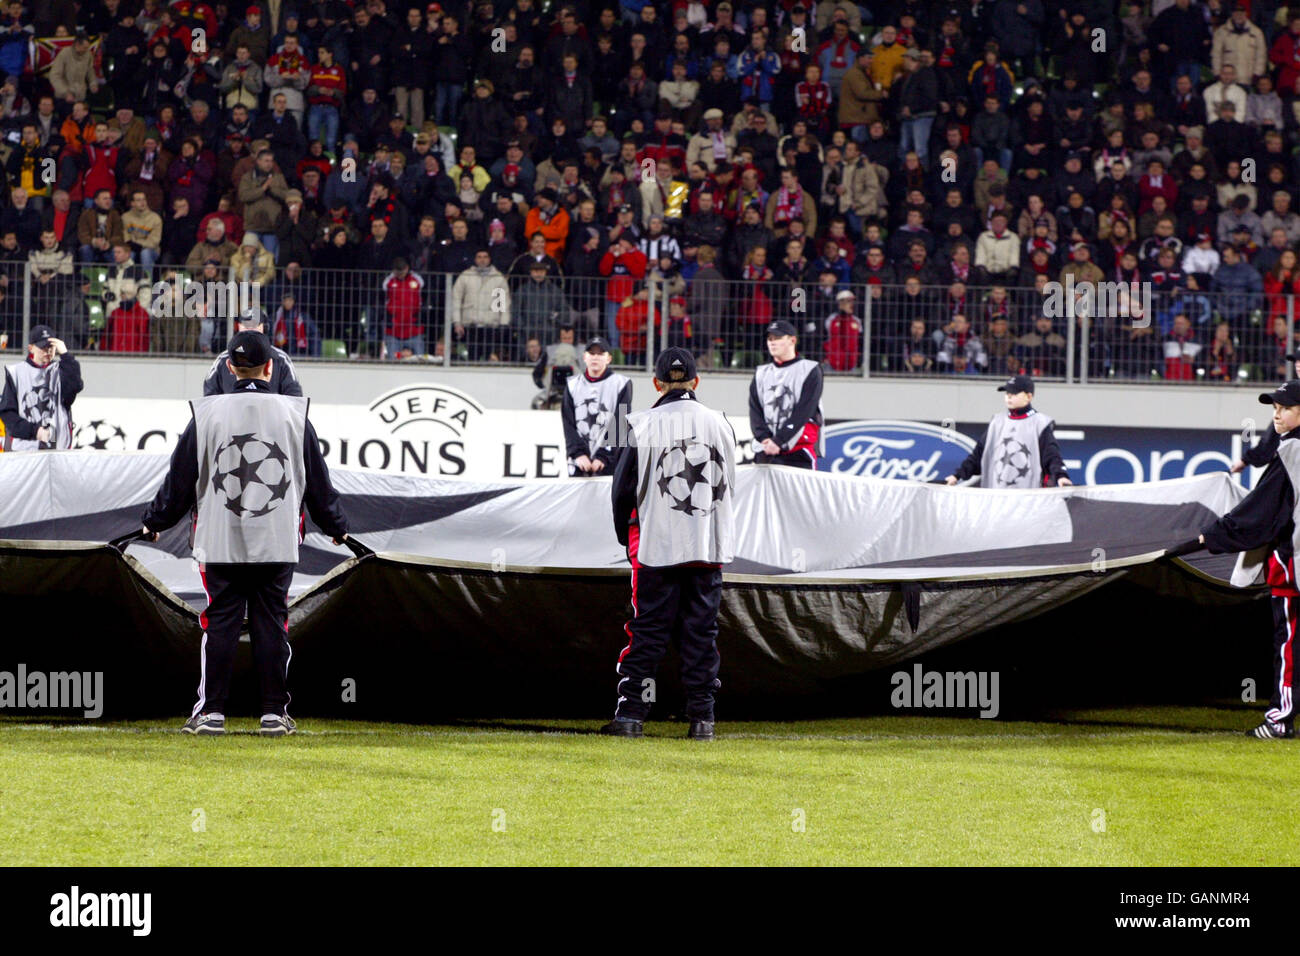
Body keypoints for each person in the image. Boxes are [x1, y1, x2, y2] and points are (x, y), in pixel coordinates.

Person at [140, 331, 357, 737]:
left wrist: (155, 521)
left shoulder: (206, 413)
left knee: (220, 621)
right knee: (272, 623)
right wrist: (336, 527)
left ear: (228, 368)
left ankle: (211, 714)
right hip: (276, 537)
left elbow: (180, 479)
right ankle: (274, 713)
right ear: (271, 367)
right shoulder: (295, 413)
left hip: (220, 537)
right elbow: (317, 481)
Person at [605, 347, 736, 740]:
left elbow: (621, 492)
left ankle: (631, 715)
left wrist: (623, 537)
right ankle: (703, 719)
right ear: (696, 381)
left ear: (656, 383)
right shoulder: (722, 422)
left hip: (655, 547)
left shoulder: (639, 424)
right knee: (701, 633)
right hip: (707, 545)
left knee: (646, 631)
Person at [1197, 380, 1300, 738]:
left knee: (1288, 643)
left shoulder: (1292, 451)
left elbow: (1263, 509)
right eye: (1274, 407)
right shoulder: (1287, 445)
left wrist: (1213, 536)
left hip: (1292, 563)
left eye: (1284, 408)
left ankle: (1280, 719)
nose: (1276, 414)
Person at [946, 375, 1073, 489]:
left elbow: (1052, 456)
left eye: (1014, 393)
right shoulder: (997, 422)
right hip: (996, 499)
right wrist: (957, 476)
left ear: (1029, 396)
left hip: (1028, 501)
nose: (1009, 396)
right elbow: (978, 456)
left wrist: (1061, 476)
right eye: (1007, 393)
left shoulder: (1040, 423)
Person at [749, 319, 824, 469]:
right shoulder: (761, 373)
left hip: (799, 450)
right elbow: (755, 410)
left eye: (777, 338)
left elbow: (804, 410)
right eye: (769, 339)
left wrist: (779, 440)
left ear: (792, 340)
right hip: (767, 449)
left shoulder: (810, 369)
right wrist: (764, 439)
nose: (772, 342)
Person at [0, 324, 83, 451]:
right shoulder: (17, 372)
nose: (48, 351)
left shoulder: (61, 371)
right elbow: (7, 414)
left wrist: (65, 355)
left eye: (51, 347)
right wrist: (35, 432)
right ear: (30, 348)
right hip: (24, 450)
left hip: (56, 449)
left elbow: (75, 386)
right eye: (42, 347)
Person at [561, 337, 632, 477]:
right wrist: (578, 454)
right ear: (584, 357)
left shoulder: (622, 384)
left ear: (609, 358)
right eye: (591, 353)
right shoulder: (572, 385)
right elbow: (568, 423)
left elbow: (621, 422)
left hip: (610, 461)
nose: (595, 357)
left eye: (600, 354)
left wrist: (604, 455)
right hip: (579, 462)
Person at [204, 308, 303, 396]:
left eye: (255, 324)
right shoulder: (223, 359)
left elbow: (294, 397)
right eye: (246, 324)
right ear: (238, 326)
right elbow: (210, 397)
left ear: (264, 327)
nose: (250, 328)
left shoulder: (280, 359)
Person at [1232, 353, 1300, 473]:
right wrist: (1247, 459)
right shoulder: (1292, 391)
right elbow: (1271, 438)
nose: (1298, 365)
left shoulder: (1293, 392)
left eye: (1286, 408)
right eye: (1296, 361)